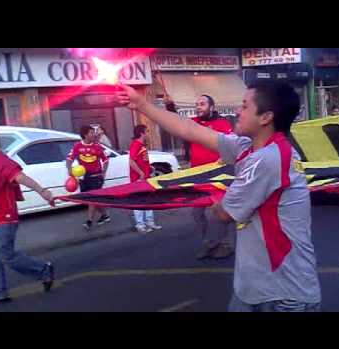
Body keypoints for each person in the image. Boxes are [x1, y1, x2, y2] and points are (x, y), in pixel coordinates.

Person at [114, 81, 321, 312]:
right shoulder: (247, 147)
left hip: (284, 296)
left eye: (244, 106)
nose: (237, 112)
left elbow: (224, 214)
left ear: (266, 118)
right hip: (254, 288)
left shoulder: (270, 158)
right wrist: (142, 104)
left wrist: (213, 195)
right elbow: (190, 130)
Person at [0, 131, 55, 309]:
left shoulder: (2, 162)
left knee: (6, 255)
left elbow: (21, 178)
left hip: (2, 219)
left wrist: (42, 191)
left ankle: (43, 269)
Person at [188, 95, 235, 260]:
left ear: (211, 106)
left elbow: (231, 145)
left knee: (220, 212)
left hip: (217, 178)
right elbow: (177, 124)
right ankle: (208, 244)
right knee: (196, 214)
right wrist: (170, 106)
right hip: (197, 177)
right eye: (197, 104)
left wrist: (226, 158)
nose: (198, 107)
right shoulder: (194, 122)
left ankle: (226, 245)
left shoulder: (222, 124)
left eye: (202, 104)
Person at [67, 125, 110, 231]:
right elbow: (69, 159)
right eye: (91, 133)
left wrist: (103, 173)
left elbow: (106, 160)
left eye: (94, 132)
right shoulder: (77, 146)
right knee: (89, 199)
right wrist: (69, 170)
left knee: (92, 198)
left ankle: (89, 221)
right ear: (85, 135)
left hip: (96, 177)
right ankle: (105, 215)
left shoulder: (97, 146)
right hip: (83, 178)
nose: (94, 135)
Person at [129, 125, 162, 233]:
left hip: (146, 178)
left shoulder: (142, 145)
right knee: (139, 201)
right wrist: (141, 173)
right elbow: (131, 161)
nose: (148, 133)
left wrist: (149, 168)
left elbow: (141, 160)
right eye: (147, 131)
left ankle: (149, 222)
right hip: (138, 179)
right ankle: (140, 224)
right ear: (142, 133)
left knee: (148, 200)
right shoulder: (136, 145)